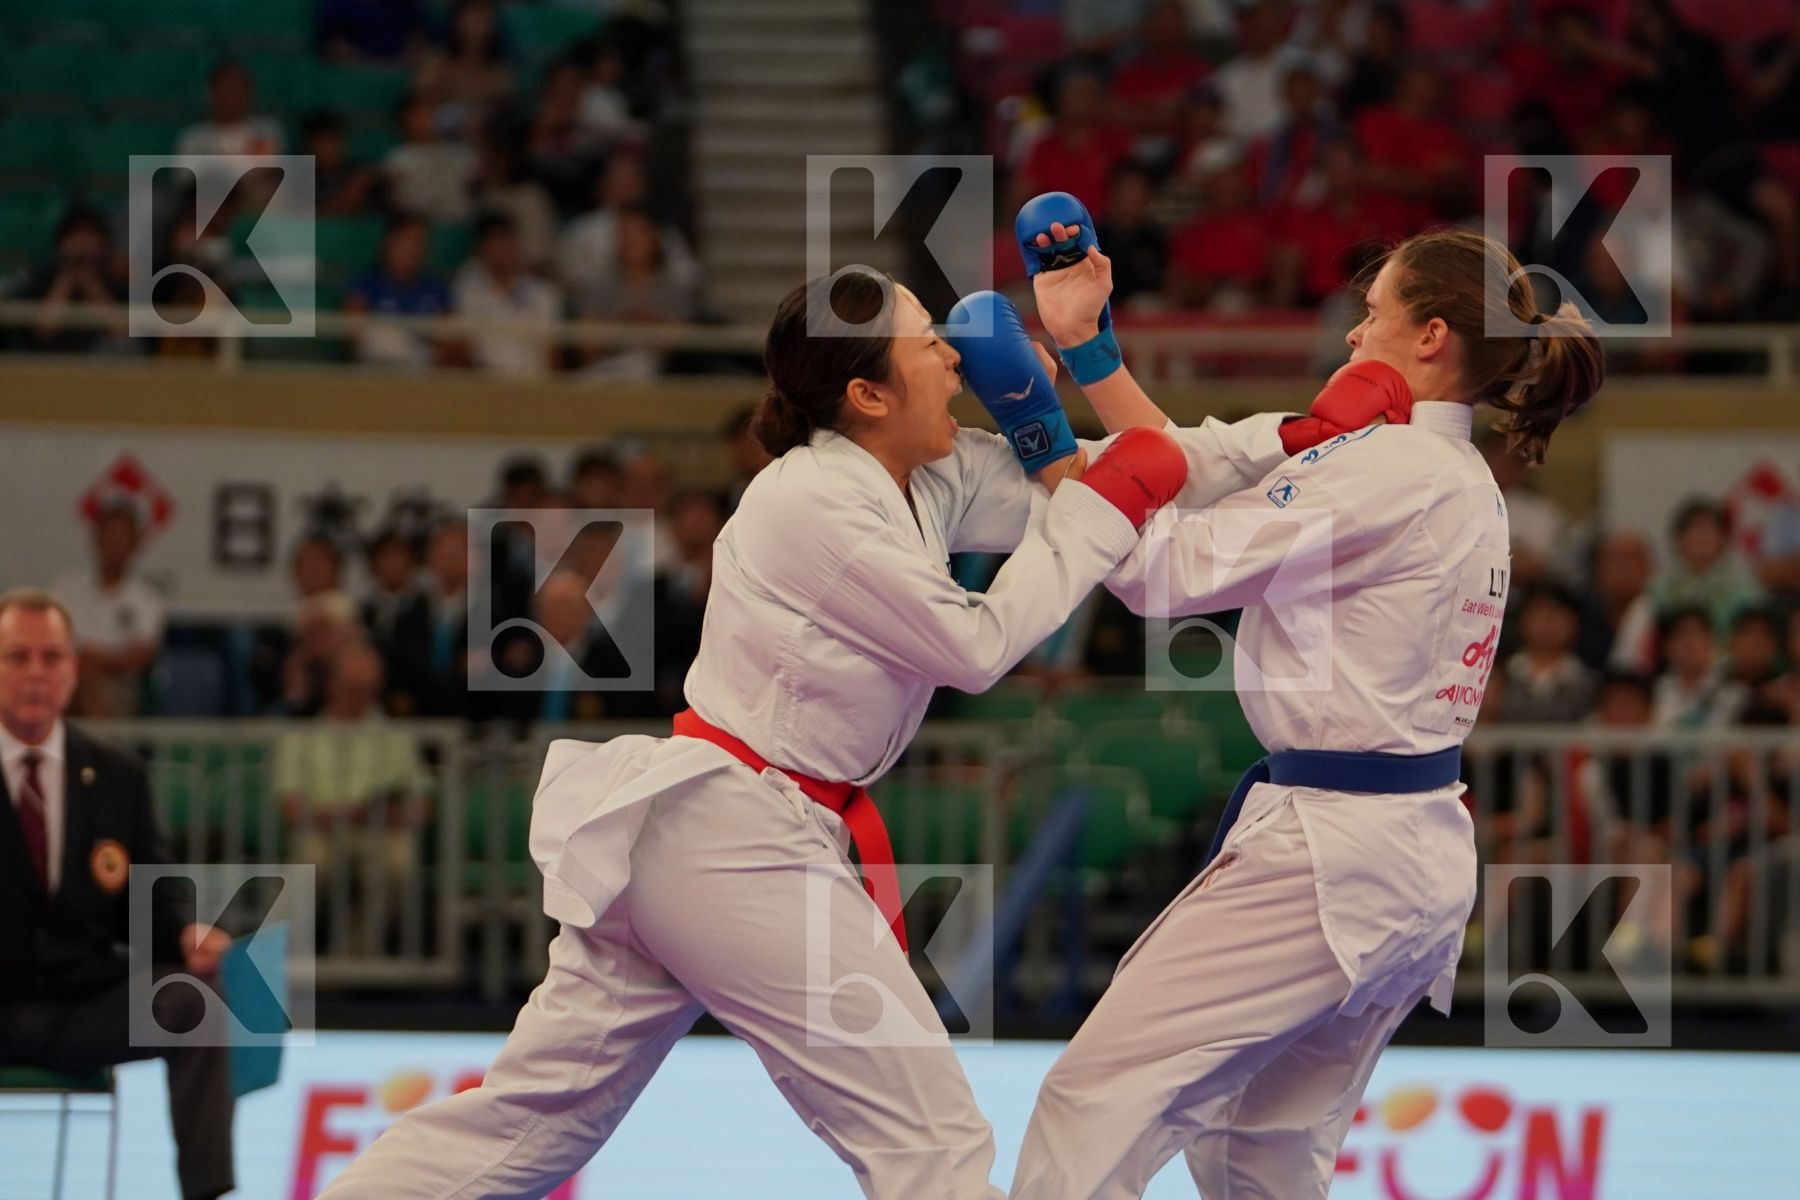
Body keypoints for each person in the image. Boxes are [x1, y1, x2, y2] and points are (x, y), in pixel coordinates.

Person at [316, 268, 1268, 1199]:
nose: (953, 358)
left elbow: (1110, 482)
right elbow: (976, 645)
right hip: (733, 830)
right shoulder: (810, 500)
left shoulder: (927, 476)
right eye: (928, 343)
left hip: (714, 832)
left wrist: (1291, 440)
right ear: (866, 392)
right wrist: (1095, 503)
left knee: (536, 1117)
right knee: (928, 1136)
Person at [1008, 216, 1605, 1199]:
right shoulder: (1431, 466)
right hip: (1403, 855)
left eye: (1371, 317)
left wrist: (1039, 437)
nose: (1350, 338)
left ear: (1431, 339)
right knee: (1260, 1154)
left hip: (1332, 855)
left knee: (1099, 1097)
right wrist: (1087, 351)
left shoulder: (1390, 468)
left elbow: (1164, 568)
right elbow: (1191, 466)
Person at [0, 589, 236, 1200]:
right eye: (16, 656)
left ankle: (208, 1194)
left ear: (73, 671)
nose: (35, 673)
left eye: (51, 657)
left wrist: (183, 932)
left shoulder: (115, 775)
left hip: (83, 1006)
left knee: (195, 999)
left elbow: (150, 908)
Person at [52, 501, 165, 718]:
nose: (116, 544)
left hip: (118, 685)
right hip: (63, 675)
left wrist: (96, 660)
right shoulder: (66, 589)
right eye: (111, 535)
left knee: (88, 681)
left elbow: (140, 655)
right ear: (96, 539)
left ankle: (97, 748)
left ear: (135, 544)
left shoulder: (146, 599)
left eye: (123, 538)